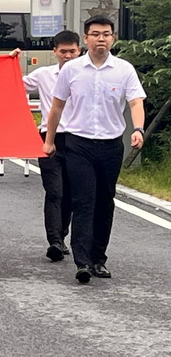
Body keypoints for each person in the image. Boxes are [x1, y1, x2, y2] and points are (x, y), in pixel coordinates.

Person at [43, 15, 146, 284]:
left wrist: (138, 128)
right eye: (96, 34)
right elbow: (57, 107)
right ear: (86, 38)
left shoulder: (124, 69)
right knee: (83, 200)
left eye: (106, 34)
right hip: (78, 145)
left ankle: (98, 258)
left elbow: (136, 102)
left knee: (104, 201)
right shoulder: (72, 70)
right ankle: (83, 262)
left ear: (113, 38)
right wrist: (49, 141)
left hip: (111, 146)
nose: (101, 38)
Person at [22, 30, 81, 262]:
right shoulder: (43, 75)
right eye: (63, 51)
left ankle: (62, 235)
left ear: (79, 51)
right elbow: (13, 85)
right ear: (54, 52)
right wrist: (10, 61)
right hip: (50, 139)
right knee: (55, 191)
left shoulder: (87, 76)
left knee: (70, 193)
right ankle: (54, 241)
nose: (68, 55)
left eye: (72, 51)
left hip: (79, 139)